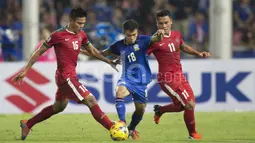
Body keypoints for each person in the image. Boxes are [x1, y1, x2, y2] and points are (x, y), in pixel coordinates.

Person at [13, 7, 119, 140]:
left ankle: (27, 124)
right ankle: (112, 128)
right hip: (65, 77)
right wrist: (25, 70)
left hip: (70, 76)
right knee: (90, 100)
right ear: (71, 20)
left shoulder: (82, 34)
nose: (81, 26)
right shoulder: (58, 35)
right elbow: (39, 52)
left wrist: (108, 61)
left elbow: (93, 51)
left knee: (58, 107)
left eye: (83, 23)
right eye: (79, 23)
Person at [148, 9, 211, 140]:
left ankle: (160, 110)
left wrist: (198, 53)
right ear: (157, 24)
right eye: (160, 23)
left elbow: (183, 47)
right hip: (167, 78)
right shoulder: (153, 41)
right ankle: (192, 134)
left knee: (187, 104)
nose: (163, 26)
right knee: (189, 104)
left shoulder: (176, 34)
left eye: (166, 22)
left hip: (180, 76)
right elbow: (142, 55)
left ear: (171, 21)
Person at [101, 19, 164, 140]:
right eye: (129, 35)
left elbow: (156, 39)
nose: (132, 38)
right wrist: (84, 51)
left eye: (134, 34)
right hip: (127, 78)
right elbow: (102, 53)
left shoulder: (143, 40)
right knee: (119, 92)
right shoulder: (118, 45)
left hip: (141, 82)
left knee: (140, 110)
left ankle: (131, 129)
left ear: (137, 32)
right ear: (124, 33)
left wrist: (159, 35)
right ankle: (122, 123)